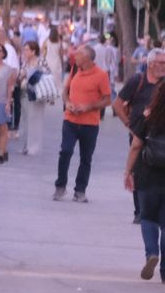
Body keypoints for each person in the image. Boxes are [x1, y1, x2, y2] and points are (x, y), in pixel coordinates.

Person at [115, 48, 165, 224]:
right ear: (150, 64)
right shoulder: (138, 80)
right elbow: (117, 104)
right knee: (138, 171)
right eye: (162, 63)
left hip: (160, 137)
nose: (164, 66)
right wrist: (129, 125)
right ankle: (140, 210)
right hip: (139, 134)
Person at [56, 45, 111, 202]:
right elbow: (65, 92)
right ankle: (60, 186)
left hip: (89, 124)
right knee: (65, 152)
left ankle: (80, 190)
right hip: (70, 120)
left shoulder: (101, 75)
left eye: (78, 54)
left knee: (85, 158)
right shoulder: (74, 69)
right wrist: (68, 103)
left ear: (87, 58)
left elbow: (107, 100)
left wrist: (88, 107)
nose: (75, 56)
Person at [123, 87, 165, 282]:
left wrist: (128, 171)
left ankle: (151, 254)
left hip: (148, 173)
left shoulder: (148, 117)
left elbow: (136, 145)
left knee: (147, 217)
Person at [19, 41, 51, 157]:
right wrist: (22, 75)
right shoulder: (25, 62)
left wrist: (33, 76)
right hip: (25, 93)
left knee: (36, 119)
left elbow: (47, 74)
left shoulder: (41, 61)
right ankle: (26, 145)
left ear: (33, 51)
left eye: (27, 50)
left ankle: (35, 146)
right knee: (26, 119)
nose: (25, 52)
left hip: (37, 94)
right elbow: (21, 73)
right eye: (24, 49)